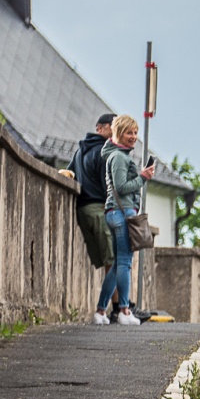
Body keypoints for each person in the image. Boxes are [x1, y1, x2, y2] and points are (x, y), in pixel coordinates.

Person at [95, 115, 155, 326]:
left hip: (114, 212)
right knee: (125, 263)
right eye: (129, 132)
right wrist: (142, 178)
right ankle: (124, 311)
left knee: (116, 265)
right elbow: (121, 187)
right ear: (119, 133)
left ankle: (101, 310)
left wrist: (139, 175)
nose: (134, 137)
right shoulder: (119, 157)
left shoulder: (115, 154)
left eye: (135, 133)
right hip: (122, 213)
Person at [61, 113, 120, 323]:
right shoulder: (106, 152)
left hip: (82, 209)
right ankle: (110, 310)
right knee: (115, 260)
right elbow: (109, 188)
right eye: (114, 128)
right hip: (99, 209)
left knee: (109, 261)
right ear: (101, 128)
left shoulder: (80, 151)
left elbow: (68, 174)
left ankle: (117, 308)